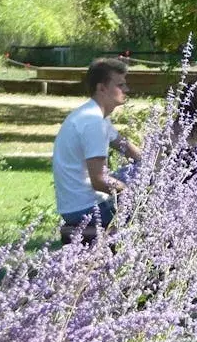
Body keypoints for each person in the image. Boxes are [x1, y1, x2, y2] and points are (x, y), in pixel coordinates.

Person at [52, 58, 141, 229]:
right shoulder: (94, 123)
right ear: (101, 88)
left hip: (77, 205)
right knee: (155, 215)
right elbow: (99, 180)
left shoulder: (93, 114)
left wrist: (158, 164)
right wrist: (133, 194)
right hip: (85, 210)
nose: (126, 90)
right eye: (120, 85)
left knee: (141, 174)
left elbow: (127, 147)